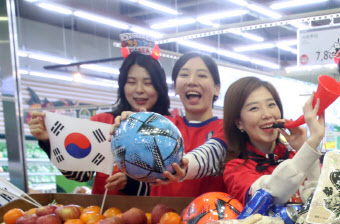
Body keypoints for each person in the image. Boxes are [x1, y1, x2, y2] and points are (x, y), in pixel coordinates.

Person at [28, 51, 171, 196]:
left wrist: (131, 183)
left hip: (158, 216)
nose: (139, 90)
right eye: (131, 82)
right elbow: (81, 174)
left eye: (148, 83)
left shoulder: (170, 129)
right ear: (122, 85)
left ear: (160, 87)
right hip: (102, 214)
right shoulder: (103, 123)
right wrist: (50, 140)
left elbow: (176, 182)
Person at [221, 76, 323, 206]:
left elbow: (322, 195)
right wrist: (311, 144)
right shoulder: (236, 169)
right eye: (254, 108)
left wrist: (302, 146)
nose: (267, 114)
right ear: (239, 123)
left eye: (271, 105)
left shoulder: (296, 157)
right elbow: (269, 196)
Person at [150, 52, 227, 198]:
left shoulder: (227, 129)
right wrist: (130, 126)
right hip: (158, 218)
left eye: (202, 75)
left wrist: (182, 167)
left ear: (216, 88)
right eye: (184, 75)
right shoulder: (163, 125)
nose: (192, 81)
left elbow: (213, 152)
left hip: (210, 218)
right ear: (176, 87)